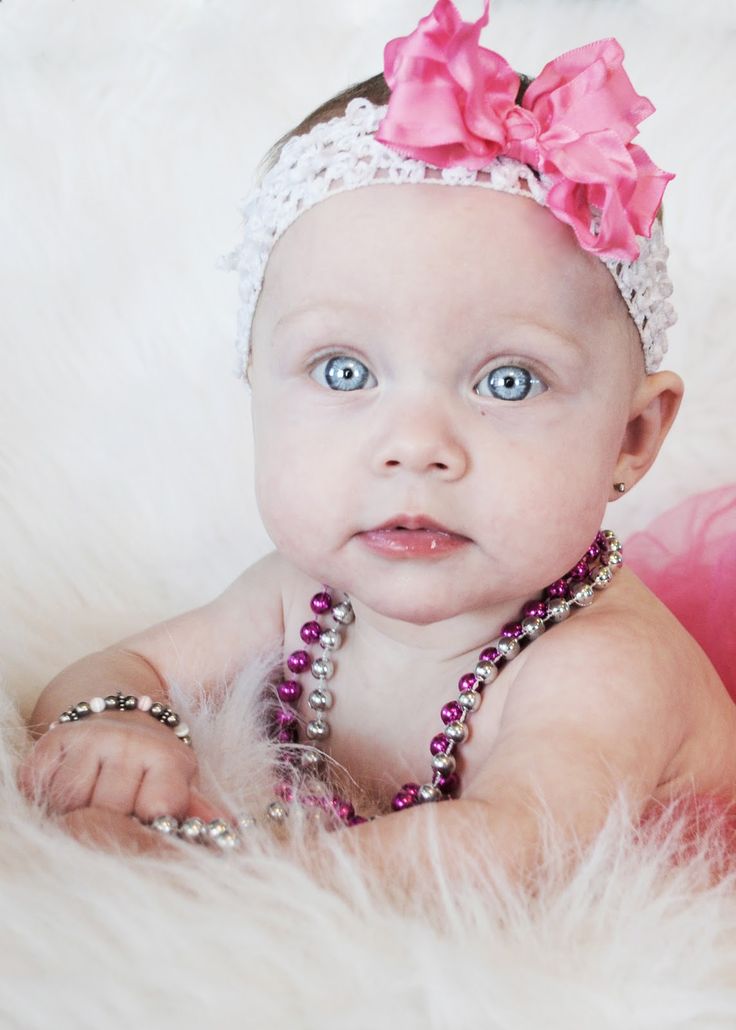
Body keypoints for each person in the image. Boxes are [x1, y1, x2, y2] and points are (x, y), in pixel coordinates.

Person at [18, 0, 736, 878]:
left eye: (507, 381)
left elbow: (512, 849)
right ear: (252, 385)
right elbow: (122, 667)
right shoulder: (304, 591)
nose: (414, 448)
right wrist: (119, 723)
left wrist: (231, 887)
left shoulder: (602, 666)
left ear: (631, 436)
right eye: (343, 372)